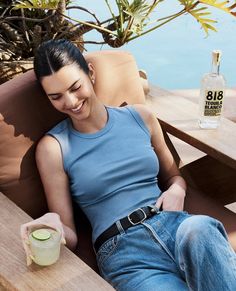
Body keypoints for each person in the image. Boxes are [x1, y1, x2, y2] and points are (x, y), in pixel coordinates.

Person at [21, 39, 236, 291]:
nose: (70, 102)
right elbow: (69, 231)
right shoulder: (53, 147)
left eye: (75, 87)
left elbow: (173, 177)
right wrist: (53, 226)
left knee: (201, 227)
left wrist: (177, 189)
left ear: (90, 72)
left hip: (174, 225)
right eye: (56, 97)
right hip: (125, 253)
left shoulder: (140, 117)